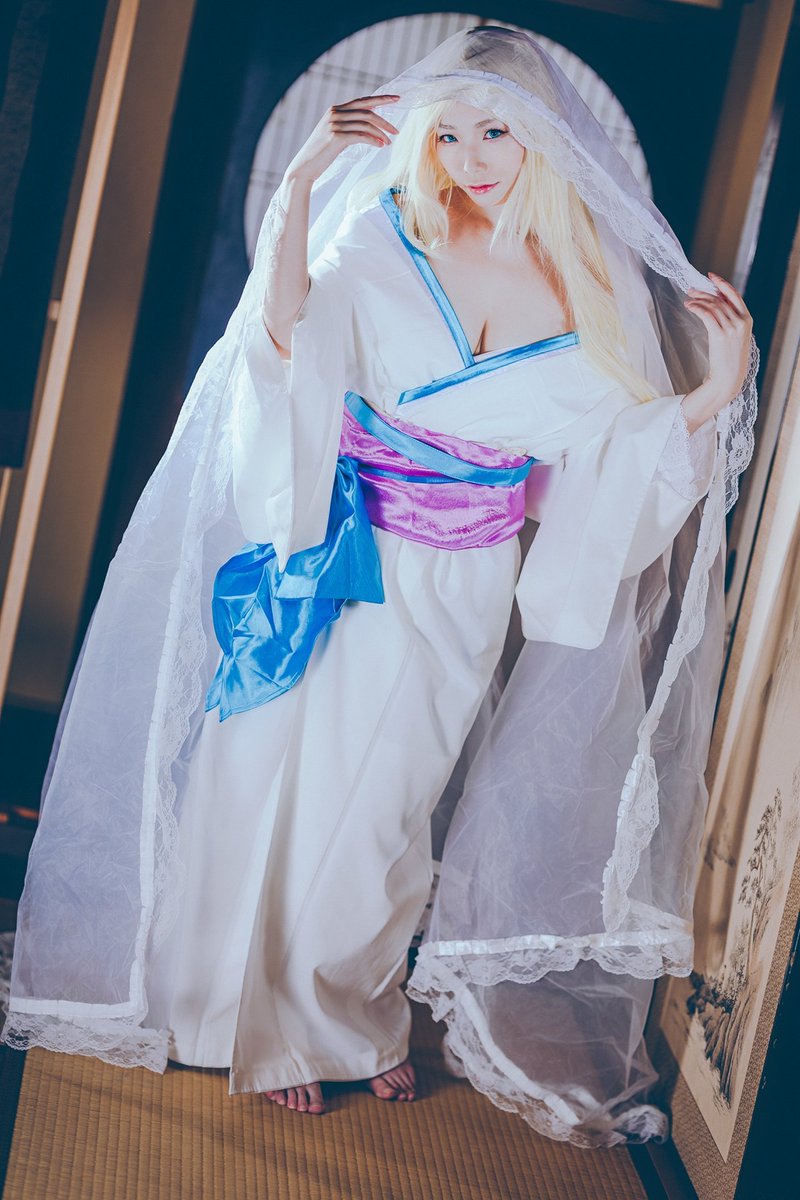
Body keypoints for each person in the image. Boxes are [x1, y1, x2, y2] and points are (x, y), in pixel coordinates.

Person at [1, 27, 758, 1146]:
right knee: (263, 775)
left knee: (384, 814)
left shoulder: (590, 285)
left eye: (495, 131)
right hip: (336, 548)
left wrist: (717, 389)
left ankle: (342, 1022)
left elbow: (608, 462)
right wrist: (303, 182)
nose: (470, 157)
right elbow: (281, 344)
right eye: (447, 133)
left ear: (545, 138)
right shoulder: (387, 231)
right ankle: (229, 1019)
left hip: (460, 580)